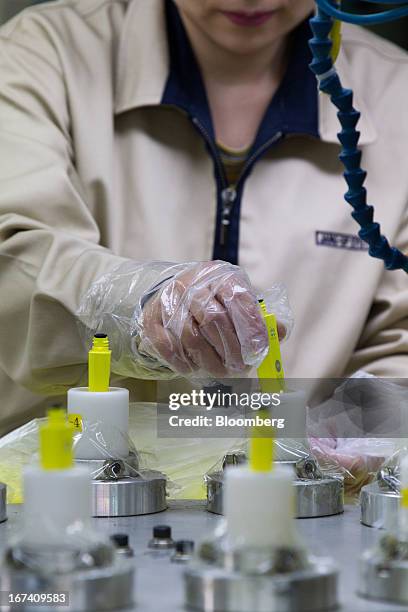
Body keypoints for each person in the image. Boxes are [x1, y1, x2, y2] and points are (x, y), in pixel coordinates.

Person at [0, 0, 407, 486]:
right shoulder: (45, 54)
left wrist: (359, 429)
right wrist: (142, 305)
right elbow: (16, 252)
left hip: (304, 508)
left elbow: (397, 347)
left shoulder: (395, 93)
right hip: (66, 497)